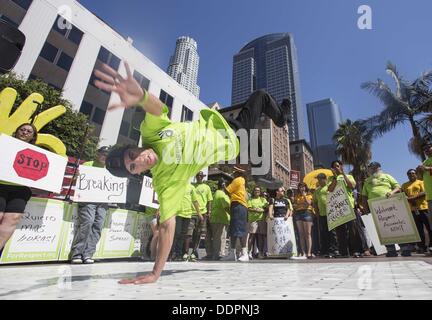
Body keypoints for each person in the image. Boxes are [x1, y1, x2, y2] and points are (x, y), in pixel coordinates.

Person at [94, 62, 290, 283]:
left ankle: (263, 161)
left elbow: (156, 109)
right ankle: (280, 121)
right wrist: (155, 272)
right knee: (261, 97)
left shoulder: (152, 133)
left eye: (132, 155)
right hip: (230, 139)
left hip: (219, 124)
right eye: (134, 167)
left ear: (134, 147)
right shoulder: (165, 181)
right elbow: (167, 225)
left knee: (256, 132)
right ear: (137, 173)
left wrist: (140, 96)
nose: (140, 160)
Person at [0, 123, 38, 250]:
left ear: (33, 136)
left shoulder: (37, 152)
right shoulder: (4, 143)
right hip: (1, 185)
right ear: (17, 131)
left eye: (29, 131)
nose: (25, 132)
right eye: (22, 129)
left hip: (21, 190)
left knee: (13, 219)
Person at [70, 146, 110, 264]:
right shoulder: (87, 165)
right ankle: (77, 254)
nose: (104, 156)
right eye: (103, 153)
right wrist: (77, 176)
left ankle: (88, 254)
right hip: (88, 200)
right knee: (88, 223)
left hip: (103, 202)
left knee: (98, 226)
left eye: (107, 154)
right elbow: (76, 181)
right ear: (97, 154)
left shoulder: (110, 169)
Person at [361, 162, 403, 257]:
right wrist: (366, 211)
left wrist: (392, 192)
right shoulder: (367, 181)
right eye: (371, 168)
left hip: (390, 205)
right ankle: (391, 249)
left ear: (379, 168)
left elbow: (398, 187)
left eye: (375, 167)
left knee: (397, 226)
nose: (373, 169)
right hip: (376, 208)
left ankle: (404, 248)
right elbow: (364, 196)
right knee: (384, 229)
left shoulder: (387, 176)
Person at [327, 160, 363, 258]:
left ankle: (356, 251)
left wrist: (343, 174)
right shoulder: (330, 178)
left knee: (353, 230)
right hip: (338, 208)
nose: (336, 168)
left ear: (341, 166)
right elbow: (330, 189)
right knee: (340, 231)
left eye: (338, 166)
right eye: (334, 167)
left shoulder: (349, 176)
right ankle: (344, 252)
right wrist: (335, 177)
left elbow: (352, 186)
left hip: (349, 206)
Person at [402, 169, 432, 254]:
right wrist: (409, 200)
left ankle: (430, 245)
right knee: (419, 230)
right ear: (407, 175)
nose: (411, 174)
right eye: (409, 173)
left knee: (429, 227)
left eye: (413, 173)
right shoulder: (404, 185)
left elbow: (424, 192)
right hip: (412, 210)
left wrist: (413, 198)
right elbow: (403, 194)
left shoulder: (421, 182)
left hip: (423, 208)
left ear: (416, 174)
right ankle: (421, 247)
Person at [224, 166, 250, 262]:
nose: (233, 174)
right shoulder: (241, 181)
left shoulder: (238, 180)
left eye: (234, 172)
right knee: (234, 230)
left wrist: (223, 185)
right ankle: (232, 253)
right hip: (237, 206)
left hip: (238, 206)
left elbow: (227, 191)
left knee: (240, 229)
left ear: (238, 173)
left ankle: (244, 253)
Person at [171, 183, 200, 261]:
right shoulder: (177, 185)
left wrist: (199, 213)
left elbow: (195, 201)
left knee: (183, 235)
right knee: (177, 233)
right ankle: (171, 253)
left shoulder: (191, 187)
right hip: (178, 213)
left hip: (187, 214)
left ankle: (179, 254)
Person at [312, 173, 337, 258]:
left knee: (332, 233)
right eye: (318, 179)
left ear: (324, 179)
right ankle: (325, 250)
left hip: (331, 213)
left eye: (320, 179)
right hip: (322, 214)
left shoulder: (329, 187)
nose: (319, 180)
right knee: (324, 233)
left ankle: (334, 249)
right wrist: (317, 213)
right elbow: (315, 202)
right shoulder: (317, 190)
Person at [207, 179, 231, 260]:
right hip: (221, 219)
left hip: (215, 219)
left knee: (216, 237)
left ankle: (215, 253)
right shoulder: (222, 195)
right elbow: (227, 207)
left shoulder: (215, 194)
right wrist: (233, 215)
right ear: (224, 186)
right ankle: (219, 254)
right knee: (221, 237)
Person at [192, 171, 213, 260]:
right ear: (196, 176)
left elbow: (209, 200)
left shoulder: (207, 187)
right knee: (190, 233)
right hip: (191, 212)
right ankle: (190, 250)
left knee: (199, 232)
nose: (199, 177)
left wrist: (209, 211)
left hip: (203, 212)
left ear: (203, 177)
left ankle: (195, 250)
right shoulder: (192, 186)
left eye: (201, 176)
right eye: (198, 175)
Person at [417, 141, 432, 253]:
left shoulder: (426, 164)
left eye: (428, 148)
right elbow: (422, 178)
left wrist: (426, 168)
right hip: (430, 197)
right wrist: (420, 171)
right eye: (425, 149)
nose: (427, 150)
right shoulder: (425, 161)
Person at [292, 183, 314, 259]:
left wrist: (304, 196)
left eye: (303, 187)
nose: (302, 188)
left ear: (305, 187)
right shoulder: (297, 196)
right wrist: (298, 205)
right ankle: (303, 252)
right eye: (300, 187)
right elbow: (294, 205)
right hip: (298, 213)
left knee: (307, 233)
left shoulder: (309, 195)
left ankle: (309, 252)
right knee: (301, 234)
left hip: (307, 213)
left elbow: (309, 203)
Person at [247, 186, 268, 259]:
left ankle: (260, 252)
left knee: (260, 237)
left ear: (260, 192)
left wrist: (262, 210)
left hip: (261, 220)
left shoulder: (263, 199)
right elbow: (249, 208)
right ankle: (248, 252)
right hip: (253, 220)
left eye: (258, 191)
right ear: (253, 191)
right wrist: (256, 210)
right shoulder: (250, 199)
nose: (257, 192)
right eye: (255, 190)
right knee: (251, 236)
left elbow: (266, 208)